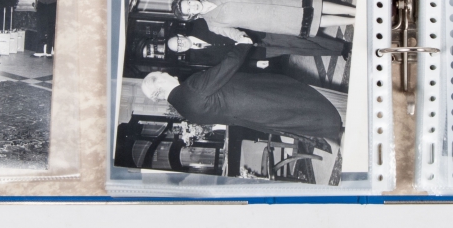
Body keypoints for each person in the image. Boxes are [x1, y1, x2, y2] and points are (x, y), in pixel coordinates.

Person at [141, 44, 343, 143]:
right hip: (264, 98)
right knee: (313, 102)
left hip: (257, 117)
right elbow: (229, 64)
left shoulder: (184, 110)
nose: (169, 73)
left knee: (307, 119)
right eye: (163, 74)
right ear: (160, 83)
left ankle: (340, 130)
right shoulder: (191, 87)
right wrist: (242, 43)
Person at [174, 0, 356, 40]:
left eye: (189, 3)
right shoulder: (212, 25)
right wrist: (241, 38)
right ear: (191, 16)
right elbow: (233, 34)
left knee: (316, 5)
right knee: (313, 21)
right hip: (272, 21)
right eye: (188, 10)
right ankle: (354, 20)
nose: (192, 6)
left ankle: (354, 11)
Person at [167, 18, 350, 66]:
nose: (182, 45)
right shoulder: (197, 58)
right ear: (180, 52)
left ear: (180, 35)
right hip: (255, 54)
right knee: (296, 50)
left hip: (257, 34)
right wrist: (255, 64)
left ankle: (341, 46)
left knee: (296, 39)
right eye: (179, 48)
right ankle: (337, 52)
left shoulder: (200, 25)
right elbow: (228, 63)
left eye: (179, 41)